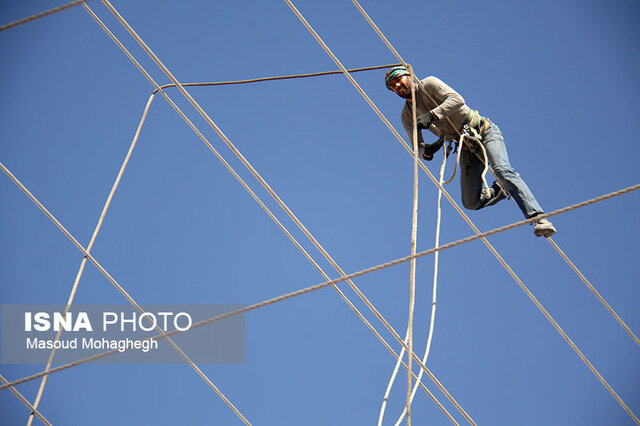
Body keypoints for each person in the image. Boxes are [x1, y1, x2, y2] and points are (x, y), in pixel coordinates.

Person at [384, 66, 556, 237]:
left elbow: (456, 99)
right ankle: (501, 191)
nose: (397, 85)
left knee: (502, 170)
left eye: (399, 79)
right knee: (470, 202)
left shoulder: (428, 84)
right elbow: (417, 148)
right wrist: (427, 151)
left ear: (410, 76)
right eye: (393, 86)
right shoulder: (407, 115)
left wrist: (433, 115)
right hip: (465, 146)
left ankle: (539, 218)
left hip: (483, 131)